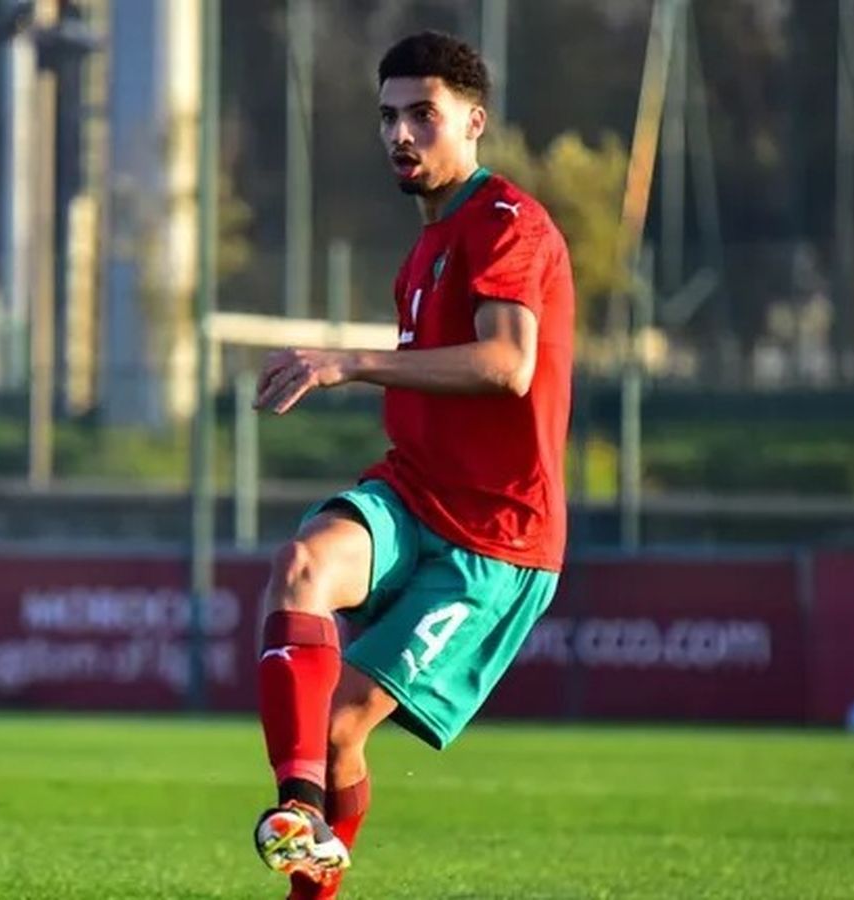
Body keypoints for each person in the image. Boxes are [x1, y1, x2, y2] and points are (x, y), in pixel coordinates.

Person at [249, 29, 577, 899]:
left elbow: (508, 365)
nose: (402, 134)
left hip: (494, 543)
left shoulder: (508, 221)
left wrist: (348, 362)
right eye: (389, 117)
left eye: (423, 115)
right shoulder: (423, 253)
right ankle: (297, 812)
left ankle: (308, 873)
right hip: (415, 493)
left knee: (342, 731)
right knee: (301, 564)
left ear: (473, 122)